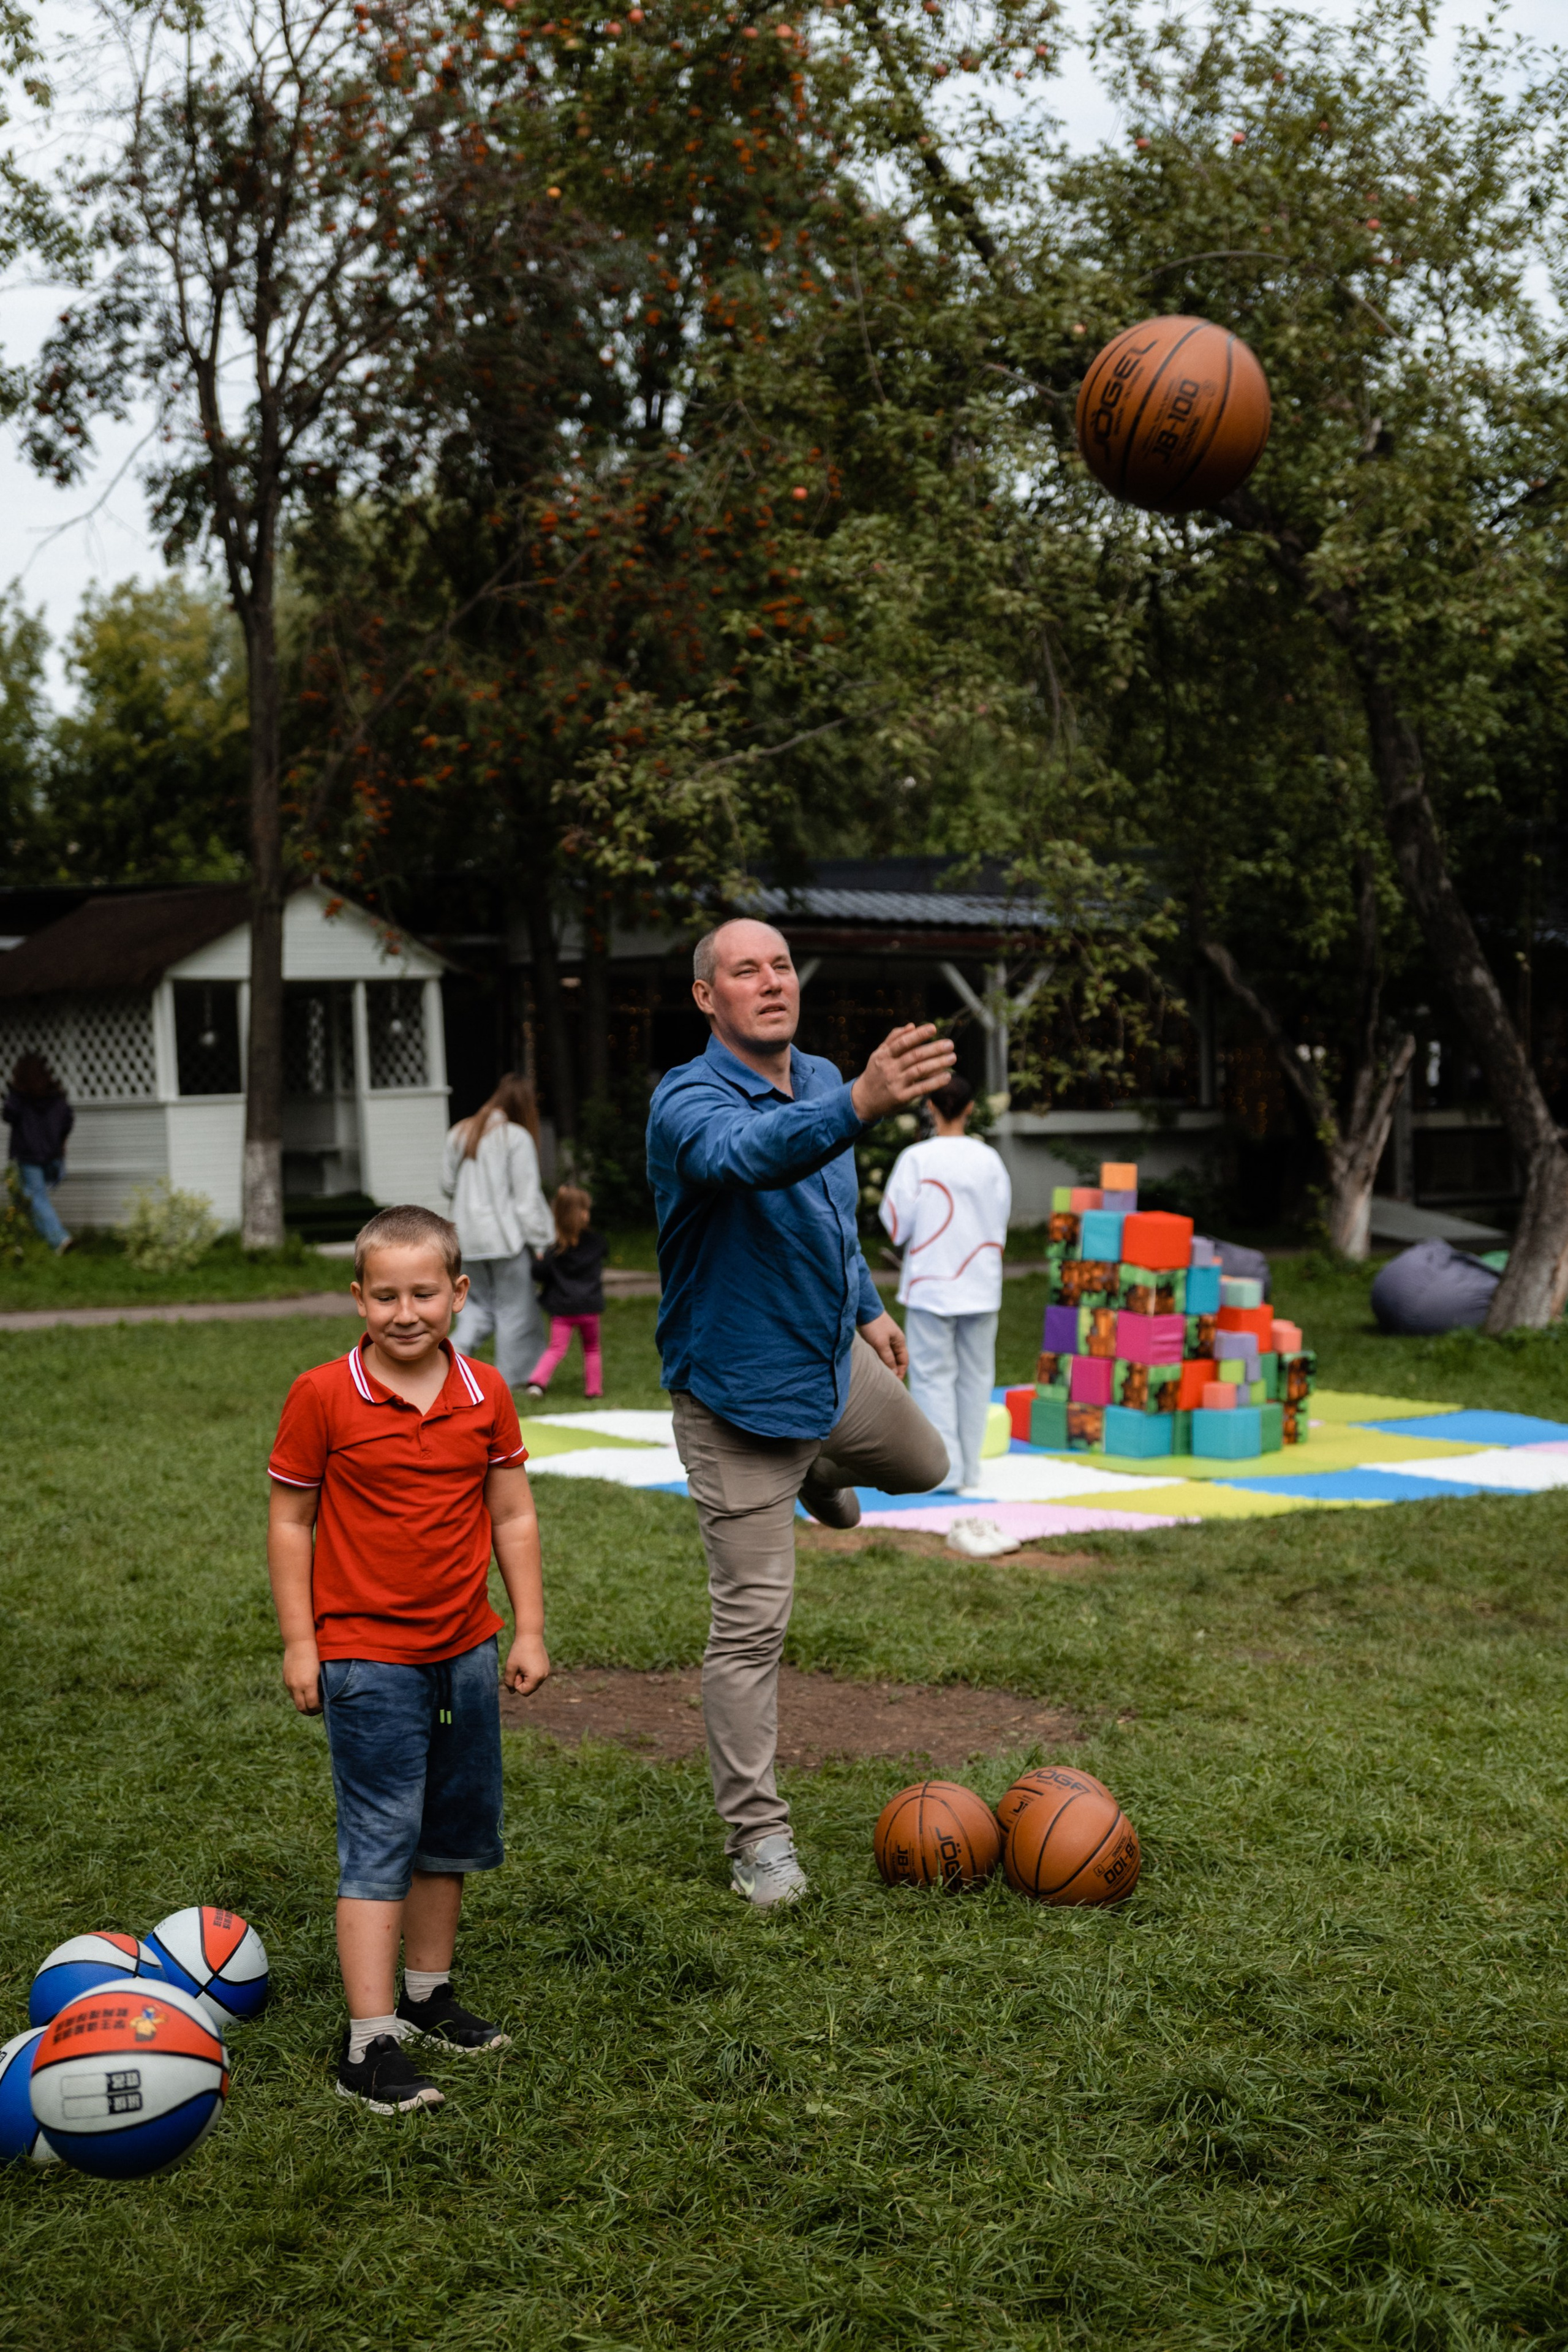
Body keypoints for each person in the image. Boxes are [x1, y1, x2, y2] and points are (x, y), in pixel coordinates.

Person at [647, 917, 954, 1909]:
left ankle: (823, 1468)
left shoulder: (820, 1074)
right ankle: (759, 1842)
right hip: (736, 1400)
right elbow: (749, 1159)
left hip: (832, 1367)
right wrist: (862, 1101)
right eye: (745, 970)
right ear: (709, 997)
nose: (771, 982)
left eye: (781, 965)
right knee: (750, 1634)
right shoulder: (686, 1101)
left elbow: (828, 1211)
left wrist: (867, 1307)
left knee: (926, 1465)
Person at [266, 1203, 550, 2115]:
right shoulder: (323, 1395)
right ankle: (368, 2044)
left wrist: (530, 1626)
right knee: (382, 1833)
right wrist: (302, 1643)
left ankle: (427, 1997)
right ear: (358, 1297)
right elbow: (290, 1520)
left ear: (459, 1294)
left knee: (452, 1829)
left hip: (465, 1646)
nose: (404, 1311)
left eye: (423, 1292)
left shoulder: (487, 1392)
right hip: (364, 1655)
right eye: (383, 1294)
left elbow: (512, 1513)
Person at [878, 1074, 1011, 1494]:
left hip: (931, 1284)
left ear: (930, 1108)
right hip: (980, 1283)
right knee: (976, 1377)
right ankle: (969, 1470)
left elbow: (895, 1225)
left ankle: (945, 1471)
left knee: (933, 1377)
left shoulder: (916, 1159)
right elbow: (1001, 1220)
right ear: (971, 1109)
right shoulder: (989, 1160)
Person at [441, 1073, 556, 1389]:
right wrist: (543, 1240)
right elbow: (526, 1198)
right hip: (506, 1241)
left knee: (475, 1309)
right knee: (516, 1311)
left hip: (465, 1239)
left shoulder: (459, 1132)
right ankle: (515, 1378)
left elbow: (447, 1185)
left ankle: (452, 1357)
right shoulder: (515, 1138)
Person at [526, 1183, 606, 1398]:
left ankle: (537, 1382)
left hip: (562, 1309)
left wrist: (539, 1261)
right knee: (592, 1348)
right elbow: (603, 1253)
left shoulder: (555, 1251)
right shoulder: (597, 1243)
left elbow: (539, 1274)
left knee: (556, 1348)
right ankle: (594, 1390)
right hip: (589, 1307)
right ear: (582, 1214)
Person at [3, 1053, 75, 1254]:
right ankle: (17, 1243)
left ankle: (60, 1240)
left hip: (29, 1156)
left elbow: (8, 1115)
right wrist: (60, 1143)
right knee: (20, 1198)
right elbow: (67, 1120)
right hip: (53, 1156)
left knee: (35, 1198)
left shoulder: (19, 1097)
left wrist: (15, 1093)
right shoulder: (56, 1095)